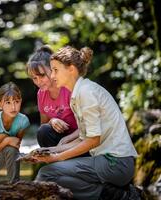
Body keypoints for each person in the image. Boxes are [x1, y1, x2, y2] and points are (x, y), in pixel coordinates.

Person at [33, 46, 138, 200]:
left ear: (72, 69)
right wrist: (52, 149)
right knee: (55, 177)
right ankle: (115, 194)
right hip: (108, 161)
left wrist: (57, 157)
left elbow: (93, 140)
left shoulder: (86, 93)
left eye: (55, 70)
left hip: (115, 163)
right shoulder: (80, 92)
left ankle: (119, 196)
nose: (52, 75)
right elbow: (83, 138)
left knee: (47, 173)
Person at [26, 45, 79, 148]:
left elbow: (87, 127)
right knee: (43, 131)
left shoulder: (69, 89)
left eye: (42, 75)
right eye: (34, 78)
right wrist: (52, 121)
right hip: (61, 142)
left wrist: (66, 140)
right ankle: (53, 158)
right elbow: (44, 126)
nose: (38, 82)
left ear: (53, 70)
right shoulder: (41, 94)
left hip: (79, 140)